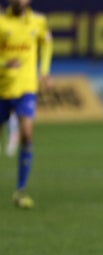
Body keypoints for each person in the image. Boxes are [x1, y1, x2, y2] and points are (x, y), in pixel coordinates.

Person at [0, 0, 53, 208]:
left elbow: (47, 44)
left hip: (26, 88)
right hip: (3, 88)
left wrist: (45, 72)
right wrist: (4, 64)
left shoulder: (38, 21)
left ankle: (20, 191)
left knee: (27, 134)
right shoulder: (2, 23)